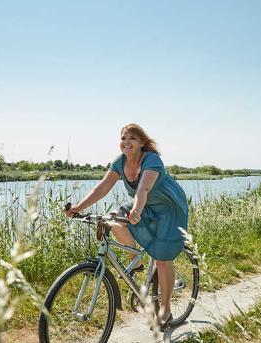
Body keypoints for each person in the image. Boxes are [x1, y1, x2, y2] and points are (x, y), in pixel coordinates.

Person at [65, 123, 188, 330]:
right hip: (146, 205)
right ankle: (136, 261)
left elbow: (144, 188)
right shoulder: (120, 162)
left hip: (169, 208)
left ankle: (165, 310)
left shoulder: (152, 160)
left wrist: (137, 210)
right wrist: (77, 208)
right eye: (123, 138)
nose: (126, 142)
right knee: (113, 218)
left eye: (132, 138)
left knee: (162, 259)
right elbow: (102, 187)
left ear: (142, 143)